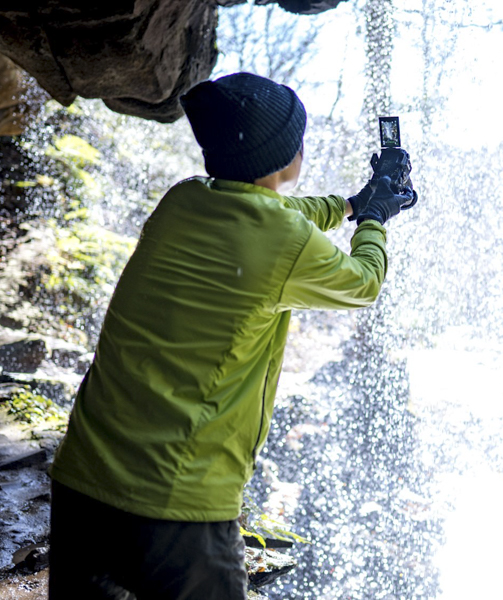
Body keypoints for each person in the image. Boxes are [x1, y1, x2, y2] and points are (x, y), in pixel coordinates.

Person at [47, 72, 414, 599]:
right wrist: (376, 217)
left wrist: (353, 203)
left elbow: (277, 214)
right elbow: (364, 282)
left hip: (83, 480)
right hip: (175, 501)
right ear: (285, 158)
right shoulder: (283, 241)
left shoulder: (184, 201)